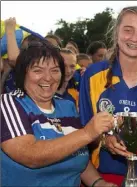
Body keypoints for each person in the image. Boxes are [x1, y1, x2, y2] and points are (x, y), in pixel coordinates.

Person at [1, 40, 117, 187]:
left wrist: (98, 183)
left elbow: (75, 152)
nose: (48, 77)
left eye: (55, 70)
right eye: (37, 70)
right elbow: (30, 155)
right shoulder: (9, 102)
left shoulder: (67, 106)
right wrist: (88, 133)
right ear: (23, 73)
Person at [79, 6, 137, 187]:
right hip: (99, 177)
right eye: (128, 30)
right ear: (116, 33)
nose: (134, 38)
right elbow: (82, 134)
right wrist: (105, 139)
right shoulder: (93, 75)